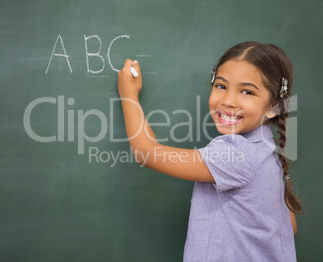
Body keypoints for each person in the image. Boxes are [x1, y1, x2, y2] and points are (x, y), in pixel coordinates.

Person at [117, 41, 302, 261]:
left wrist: (129, 94)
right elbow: (289, 226)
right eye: (221, 86)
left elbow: (146, 153)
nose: (228, 101)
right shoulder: (265, 149)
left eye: (247, 91)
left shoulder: (237, 153)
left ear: (274, 106)